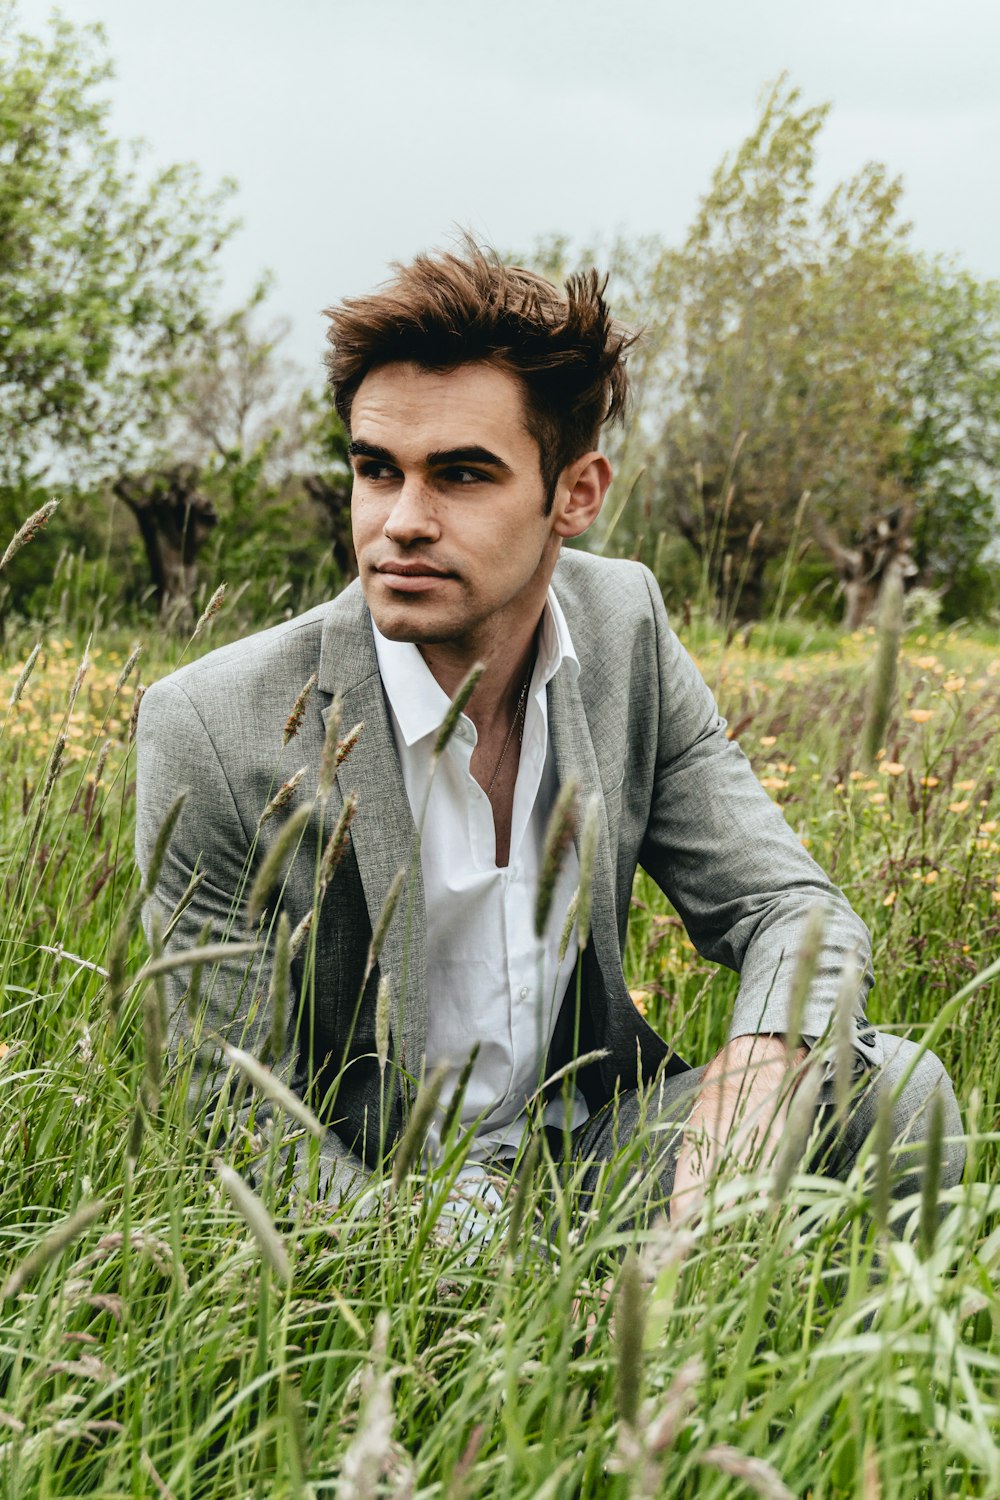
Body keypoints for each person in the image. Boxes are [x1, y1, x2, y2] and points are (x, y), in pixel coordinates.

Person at [135, 243, 963, 1236]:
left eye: (462, 475)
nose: (402, 521)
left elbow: (788, 904)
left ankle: (815, 1384)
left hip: (585, 1165)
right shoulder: (212, 725)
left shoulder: (623, 628)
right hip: (361, 1208)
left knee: (894, 1089)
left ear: (575, 493)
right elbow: (224, 1117)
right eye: (376, 470)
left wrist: (762, 1064)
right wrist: (447, 1276)